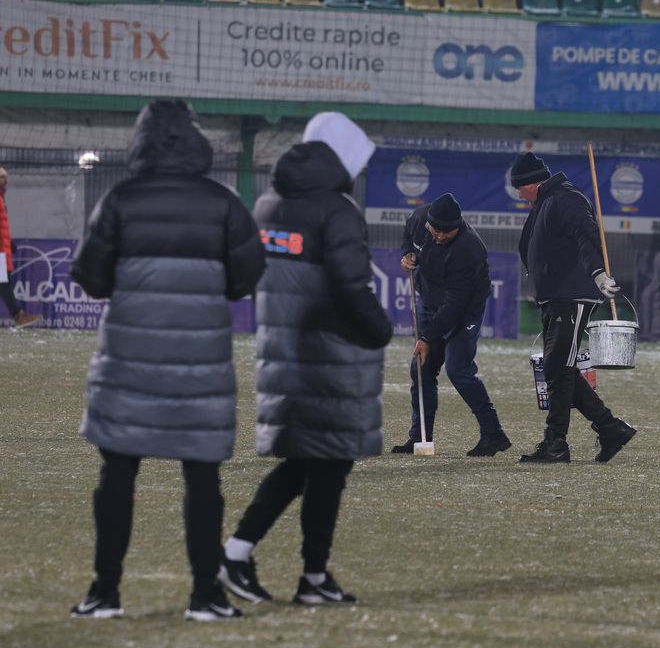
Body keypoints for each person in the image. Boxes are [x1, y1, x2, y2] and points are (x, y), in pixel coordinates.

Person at [69, 100, 266, 621]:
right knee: (202, 478)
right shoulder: (222, 203)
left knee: (117, 473)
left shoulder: (120, 198)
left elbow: (90, 276)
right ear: (195, 139)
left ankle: (104, 594)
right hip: (200, 362)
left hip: (129, 359)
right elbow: (247, 278)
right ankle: (205, 595)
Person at [218, 112, 392, 608]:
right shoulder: (335, 210)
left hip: (285, 353)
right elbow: (350, 285)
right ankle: (279, 566)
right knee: (325, 464)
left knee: (309, 463)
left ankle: (288, 568)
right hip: (329, 355)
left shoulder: (270, 203)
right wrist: (379, 330)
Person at [510, 152, 636, 464]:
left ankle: (556, 444)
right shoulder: (545, 202)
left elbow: (587, 236)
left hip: (572, 295)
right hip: (555, 296)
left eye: (519, 188)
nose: (517, 194)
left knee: (558, 367)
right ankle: (609, 428)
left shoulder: (567, 199)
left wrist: (597, 273)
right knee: (557, 367)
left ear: (532, 183)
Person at [392, 192, 510, 457]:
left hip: (463, 311)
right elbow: (408, 238)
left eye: (448, 232)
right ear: (429, 224)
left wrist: (426, 338)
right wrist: (407, 254)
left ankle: (494, 434)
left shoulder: (469, 249)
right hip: (429, 301)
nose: (441, 236)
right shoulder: (419, 220)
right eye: (437, 231)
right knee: (421, 370)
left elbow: (455, 305)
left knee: (459, 370)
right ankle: (419, 436)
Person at [0, 167, 41, 328]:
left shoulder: (2, 200)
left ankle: (18, 315)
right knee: (3, 283)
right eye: (3, 178)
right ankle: (18, 315)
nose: (6, 181)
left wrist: (8, 243)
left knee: (4, 283)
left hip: (3, 249)